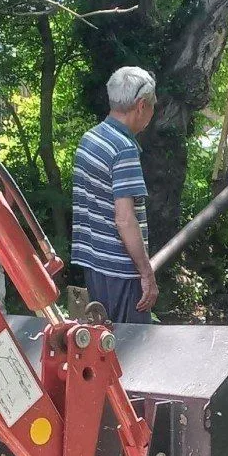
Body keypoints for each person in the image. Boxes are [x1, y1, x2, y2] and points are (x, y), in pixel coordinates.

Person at [71, 66, 159, 323]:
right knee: (133, 343)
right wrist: (146, 274)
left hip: (94, 265)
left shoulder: (90, 139)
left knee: (103, 340)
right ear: (141, 106)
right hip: (122, 272)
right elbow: (124, 219)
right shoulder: (123, 149)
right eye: (153, 106)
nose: (152, 113)